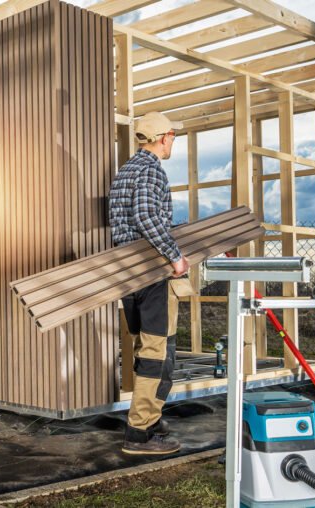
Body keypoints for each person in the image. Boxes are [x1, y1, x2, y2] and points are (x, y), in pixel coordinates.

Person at [109, 111, 191, 455]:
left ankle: (151, 417)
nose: (173, 141)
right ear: (162, 138)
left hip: (130, 274)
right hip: (151, 274)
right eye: (172, 135)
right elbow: (145, 216)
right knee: (158, 354)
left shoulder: (125, 171)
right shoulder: (151, 170)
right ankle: (139, 433)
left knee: (153, 350)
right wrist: (175, 256)